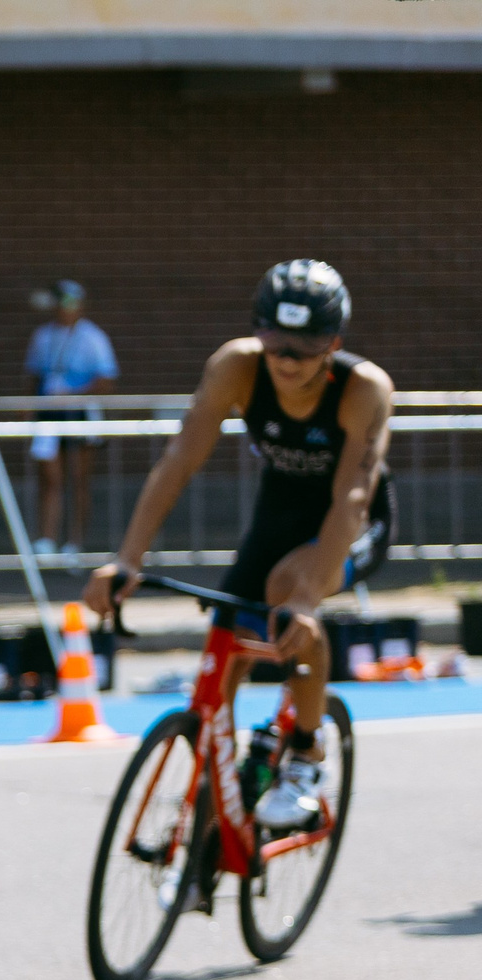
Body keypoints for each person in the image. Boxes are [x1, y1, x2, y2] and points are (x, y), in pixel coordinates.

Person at [87, 259, 392, 831]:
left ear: (333, 345)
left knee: (286, 595)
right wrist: (127, 559)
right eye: (275, 342)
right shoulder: (236, 366)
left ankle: (304, 752)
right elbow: (179, 460)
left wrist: (304, 600)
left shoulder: (364, 390)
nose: (285, 361)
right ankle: (210, 814)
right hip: (277, 515)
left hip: (353, 522)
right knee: (223, 650)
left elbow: (351, 495)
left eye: (303, 348)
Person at [25, 280, 118, 558]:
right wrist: (29, 408)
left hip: (79, 414)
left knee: (79, 478)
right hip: (49, 414)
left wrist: (73, 393)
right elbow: (33, 377)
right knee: (50, 476)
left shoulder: (93, 337)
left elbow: (106, 380)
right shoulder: (43, 336)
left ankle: (74, 542)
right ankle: (47, 538)